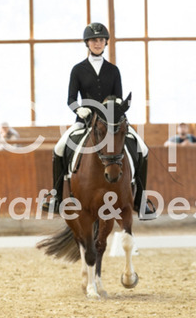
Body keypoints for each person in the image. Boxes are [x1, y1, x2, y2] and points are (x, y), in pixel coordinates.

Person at [42, 22, 155, 219]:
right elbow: (70, 99)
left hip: (111, 123)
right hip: (85, 121)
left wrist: (117, 105)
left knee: (143, 149)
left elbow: (118, 96)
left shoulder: (113, 70)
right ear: (87, 43)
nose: (97, 43)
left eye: (101, 40)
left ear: (105, 43)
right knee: (59, 149)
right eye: (94, 40)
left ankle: (141, 199)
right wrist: (79, 109)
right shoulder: (78, 70)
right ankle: (56, 197)